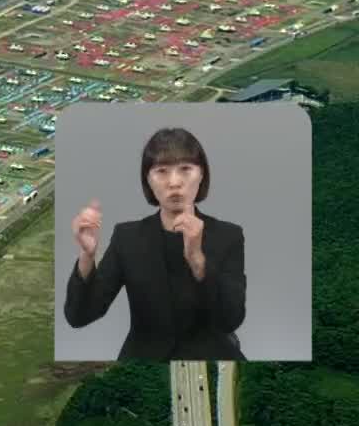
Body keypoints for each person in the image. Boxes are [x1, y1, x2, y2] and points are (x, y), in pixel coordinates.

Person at [62, 127, 246, 360]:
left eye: (186, 169)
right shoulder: (127, 237)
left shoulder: (228, 236)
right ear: (148, 180)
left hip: (211, 355)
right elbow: (79, 317)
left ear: (202, 175)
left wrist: (198, 260)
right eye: (161, 171)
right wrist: (87, 256)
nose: (174, 182)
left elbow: (230, 320)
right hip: (143, 358)